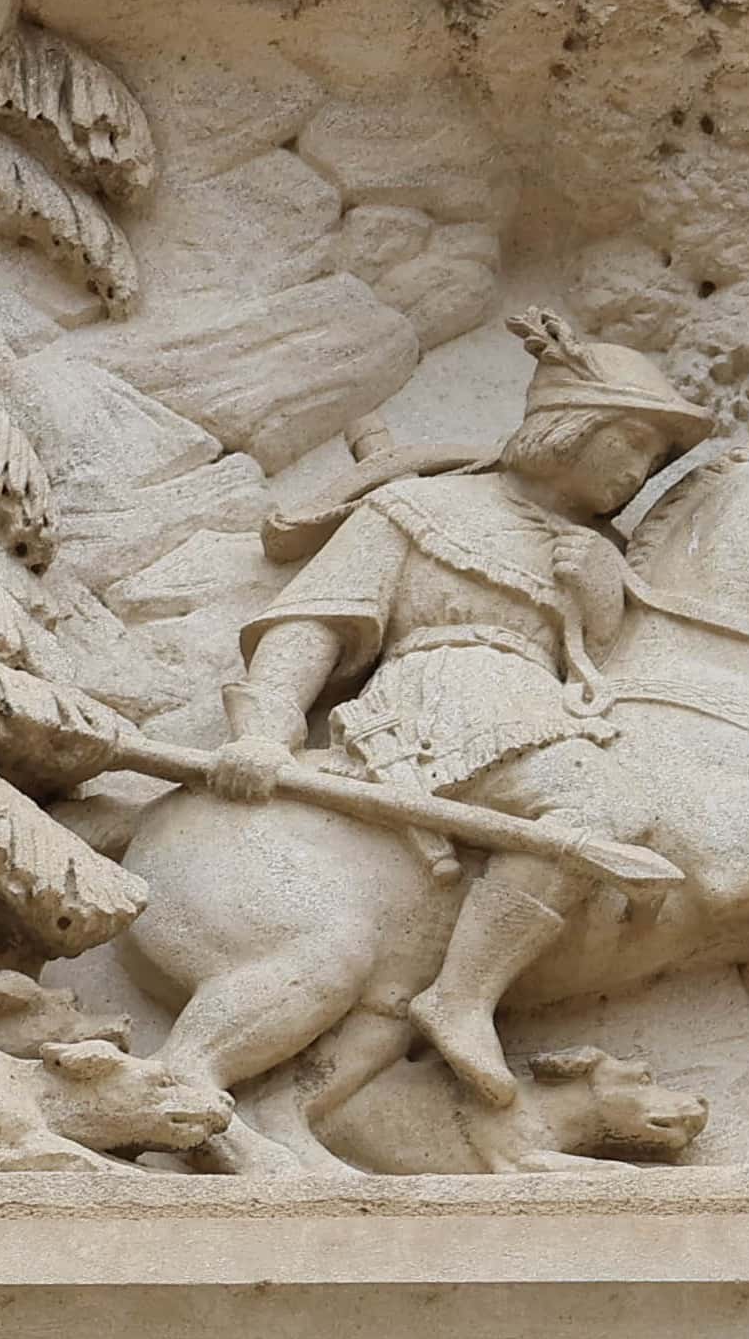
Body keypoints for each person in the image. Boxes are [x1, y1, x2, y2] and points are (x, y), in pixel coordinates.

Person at [222, 322, 711, 1106]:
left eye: (654, 460)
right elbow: (314, 621)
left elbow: (611, 667)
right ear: (565, 430)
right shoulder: (417, 507)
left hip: (541, 710)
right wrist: (264, 724)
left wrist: (596, 590)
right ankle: (461, 998)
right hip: (439, 703)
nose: (637, 471)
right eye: (630, 442)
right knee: (601, 803)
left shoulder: (600, 553)